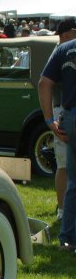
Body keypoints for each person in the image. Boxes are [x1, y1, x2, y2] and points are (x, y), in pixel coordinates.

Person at [39, 18, 76, 250]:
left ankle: (68, 239)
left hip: (70, 117)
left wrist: (49, 119)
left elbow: (44, 83)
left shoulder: (64, 49)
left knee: (74, 182)